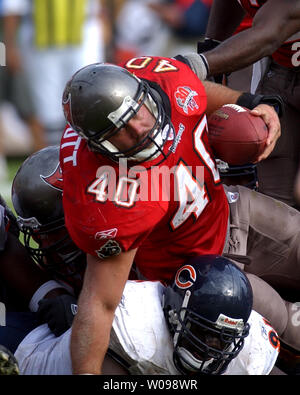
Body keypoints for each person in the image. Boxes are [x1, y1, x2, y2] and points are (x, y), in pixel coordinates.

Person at [58, 58, 300, 376]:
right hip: (197, 282)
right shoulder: (110, 195)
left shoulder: (165, 80)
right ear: (98, 146)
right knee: (273, 350)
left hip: (229, 209)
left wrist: (250, 103)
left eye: (138, 113)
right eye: (122, 132)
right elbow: (101, 302)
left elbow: (196, 91)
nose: (140, 130)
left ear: (144, 90)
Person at [13, 255, 280, 375]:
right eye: (203, 333)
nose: (211, 348)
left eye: (223, 338)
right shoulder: (135, 324)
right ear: (175, 313)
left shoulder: (252, 351)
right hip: (29, 355)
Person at [196, 0, 300, 208]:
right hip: (282, 68)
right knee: (275, 198)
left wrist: (197, 64)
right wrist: (212, 43)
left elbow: (269, 33)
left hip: (268, 40)